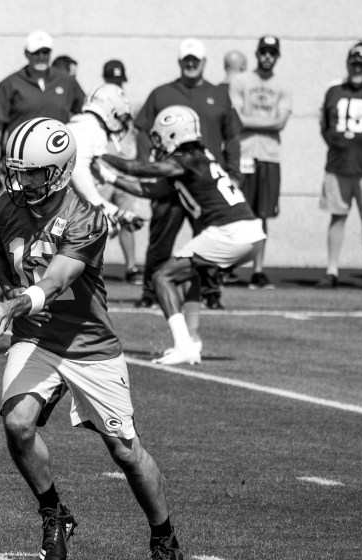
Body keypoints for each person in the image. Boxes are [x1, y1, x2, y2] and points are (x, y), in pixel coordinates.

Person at [0, 117, 183, 560]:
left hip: (89, 344)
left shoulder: (86, 217)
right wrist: (3, 299)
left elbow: (56, 280)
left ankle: (164, 540)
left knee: (125, 452)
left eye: (32, 172)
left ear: (60, 171)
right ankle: (54, 514)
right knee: (17, 424)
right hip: (36, 337)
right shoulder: (5, 207)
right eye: (17, 170)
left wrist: (13, 305)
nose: (21, 180)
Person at [99, 105, 265, 365]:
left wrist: (101, 156)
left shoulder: (187, 159)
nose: (156, 143)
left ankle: (183, 345)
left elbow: (140, 169)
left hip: (229, 232)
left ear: (173, 133)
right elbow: (148, 190)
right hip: (248, 232)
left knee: (161, 277)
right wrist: (108, 177)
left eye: (159, 136)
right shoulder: (195, 160)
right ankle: (192, 339)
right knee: (190, 275)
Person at [133, 38, 242, 310]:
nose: (191, 64)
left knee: (210, 237)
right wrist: (146, 166)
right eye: (186, 59)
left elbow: (232, 136)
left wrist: (233, 173)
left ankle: (211, 291)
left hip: (205, 185)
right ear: (180, 62)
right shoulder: (162, 93)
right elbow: (142, 130)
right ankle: (151, 291)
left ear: (204, 62)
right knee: (161, 238)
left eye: (195, 59)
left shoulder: (219, 94)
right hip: (170, 181)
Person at [0, 31, 85, 191]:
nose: (41, 57)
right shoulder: (10, 84)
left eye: (45, 52)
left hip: (58, 163)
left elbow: (84, 116)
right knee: (16, 206)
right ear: (27, 54)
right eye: (36, 52)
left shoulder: (67, 82)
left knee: (60, 206)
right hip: (20, 164)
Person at [229, 35, 292, 290]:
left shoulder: (283, 85)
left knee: (262, 215)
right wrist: (266, 122)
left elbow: (280, 122)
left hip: (269, 157)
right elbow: (237, 119)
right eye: (263, 52)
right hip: (243, 155)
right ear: (257, 54)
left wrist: (251, 120)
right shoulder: (241, 81)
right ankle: (228, 266)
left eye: (272, 53)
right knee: (237, 213)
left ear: (277, 56)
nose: (267, 56)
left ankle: (258, 270)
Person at [66, 83, 145, 284]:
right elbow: (78, 168)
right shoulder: (90, 130)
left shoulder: (82, 126)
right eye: (120, 117)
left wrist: (114, 184)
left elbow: (90, 165)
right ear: (110, 111)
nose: (121, 123)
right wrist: (105, 208)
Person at [316, 41, 362, 289]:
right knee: (337, 217)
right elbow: (324, 124)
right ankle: (332, 270)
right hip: (338, 166)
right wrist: (338, 144)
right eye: (354, 63)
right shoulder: (333, 90)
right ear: (348, 64)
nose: (357, 68)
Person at [100, 59, 148, 283]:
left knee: (127, 220)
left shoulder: (130, 105)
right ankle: (91, 267)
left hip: (126, 170)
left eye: (118, 81)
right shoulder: (98, 105)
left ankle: (131, 267)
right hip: (103, 169)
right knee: (97, 221)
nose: (116, 85)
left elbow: (142, 128)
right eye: (112, 81)